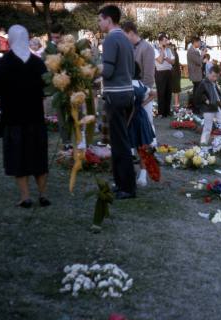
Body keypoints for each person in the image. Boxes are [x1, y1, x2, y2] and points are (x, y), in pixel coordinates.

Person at [0, 25, 50, 208]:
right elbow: (47, 88)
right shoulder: (38, 63)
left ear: (11, 39)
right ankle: (43, 194)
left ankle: (25, 196)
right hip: (35, 118)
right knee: (38, 157)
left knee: (17, 157)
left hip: (13, 119)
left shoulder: (3, 63)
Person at [98, 5, 137, 199]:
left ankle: (127, 187)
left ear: (108, 20)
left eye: (100, 20)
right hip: (127, 93)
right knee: (121, 141)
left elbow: (108, 71)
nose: (99, 23)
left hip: (116, 95)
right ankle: (122, 183)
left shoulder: (111, 39)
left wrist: (92, 69)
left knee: (120, 142)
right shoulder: (125, 38)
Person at [122, 21, 155, 131]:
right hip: (131, 92)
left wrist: (142, 94)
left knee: (147, 122)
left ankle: (150, 147)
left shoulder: (147, 48)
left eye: (124, 35)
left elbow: (149, 75)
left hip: (143, 92)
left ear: (131, 33)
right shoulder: (129, 47)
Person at [129, 63, 156, 187]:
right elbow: (153, 93)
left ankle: (130, 174)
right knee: (142, 147)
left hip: (130, 118)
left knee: (129, 147)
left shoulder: (128, 85)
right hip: (141, 117)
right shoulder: (141, 84)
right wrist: (142, 104)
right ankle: (143, 176)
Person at [195, 65, 221, 145]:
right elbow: (198, 95)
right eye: (213, 76)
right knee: (208, 127)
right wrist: (206, 100)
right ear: (209, 73)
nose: (215, 78)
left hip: (217, 106)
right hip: (208, 108)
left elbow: (217, 94)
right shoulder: (203, 83)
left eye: (216, 76)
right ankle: (203, 143)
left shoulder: (214, 83)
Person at [154, 32, 174, 118]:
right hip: (160, 73)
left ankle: (167, 111)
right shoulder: (155, 50)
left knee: (168, 92)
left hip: (169, 72)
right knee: (161, 92)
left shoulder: (169, 50)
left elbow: (173, 62)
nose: (167, 41)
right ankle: (161, 112)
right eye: (165, 40)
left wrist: (166, 57)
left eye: (167, 40)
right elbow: (160, 61)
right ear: (160, 41)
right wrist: (162, 50)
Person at [187, 36, 204, 112]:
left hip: (196, 74)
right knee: (197, 92)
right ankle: (196, 108)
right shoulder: (192, 51)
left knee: (196, 91)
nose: (200, 44)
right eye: (199, 42)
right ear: (195, 42)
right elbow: (199, 61)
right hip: (195, 75)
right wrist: (203, 54)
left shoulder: (193, 50)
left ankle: (196, 107)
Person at [170, 42, 181, 111]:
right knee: (177, 90)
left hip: (174, 73)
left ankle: (176, 105)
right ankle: (177, 104)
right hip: (176, 73)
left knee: (175, 90)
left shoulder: (172, 53)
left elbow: (172, 63)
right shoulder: (175, 53)